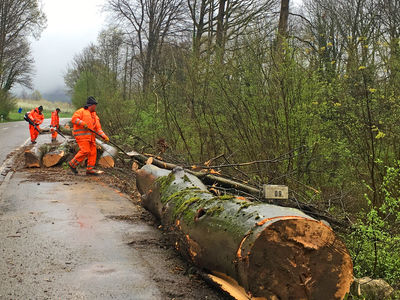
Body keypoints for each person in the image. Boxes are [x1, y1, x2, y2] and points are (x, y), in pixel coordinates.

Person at [68, 96, 109, 175]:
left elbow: (98, 129)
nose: (95, 107)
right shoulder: (81, 111)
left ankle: (90, 169)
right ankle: (72, 164)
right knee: (85, 151)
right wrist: (83, 123)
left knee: (93, 152)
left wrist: (104, 136)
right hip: (82, 137)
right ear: (91, 105)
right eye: (95, 105)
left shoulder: (95, 116)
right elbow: (74, 119)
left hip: (91, 138)